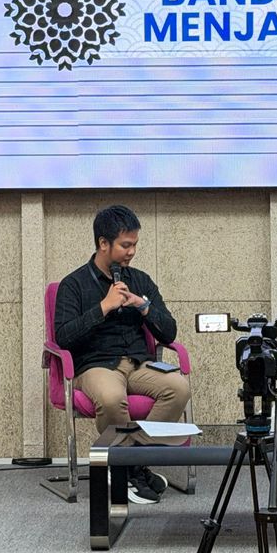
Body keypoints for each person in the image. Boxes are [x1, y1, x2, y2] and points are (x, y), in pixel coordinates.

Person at [53, 204, 191, 505]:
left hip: (139, 363)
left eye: (135, 245)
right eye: (125, 245)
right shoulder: (73, 285)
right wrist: (103, 307)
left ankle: (129, 464)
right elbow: (63, 336)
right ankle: (129, 470)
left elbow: (169, 333)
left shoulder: (140, 280)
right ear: (103, 243)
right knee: (112, 398)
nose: (132, 252)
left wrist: (144, 307)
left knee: (178, 388)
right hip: (95, 364)